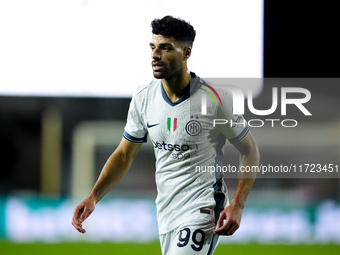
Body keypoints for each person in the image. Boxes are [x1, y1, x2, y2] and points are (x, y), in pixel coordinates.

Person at [72, 15, 260, 255]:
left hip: (203, 207)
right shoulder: (143, 97)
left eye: (165, 48)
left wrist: (238, 205)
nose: (155, 55)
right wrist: (93, 197)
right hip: (166, 211)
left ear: (187, 53)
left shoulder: (214, 99)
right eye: (152, 47)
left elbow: (250, 150)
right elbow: (123, 156)